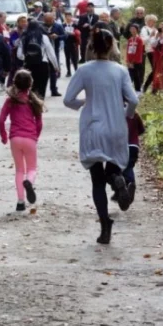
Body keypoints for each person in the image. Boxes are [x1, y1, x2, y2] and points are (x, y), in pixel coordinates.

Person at [64, 29, 140, 245]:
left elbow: (68, 99)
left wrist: (83, 104)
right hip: (116, 127)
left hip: (92, 127)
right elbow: (133, 100)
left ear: (91, 47)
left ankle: (105, 225)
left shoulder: (84, 70)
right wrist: (127, 114)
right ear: (112, 47)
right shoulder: (120, 71)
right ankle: (117, 180)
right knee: (114, 167)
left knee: (96, 181)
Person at [0, 70, 44, 213]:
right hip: (30, 138)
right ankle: (29, 182)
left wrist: (4, 136)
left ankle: (20, 202)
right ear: (30, 84)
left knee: (19, 170)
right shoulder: (33, 101)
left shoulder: (11, 101)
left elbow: (0, 120)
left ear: (14, 83)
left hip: (15, 139)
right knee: (32, 169)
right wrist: (36, 136)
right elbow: (39, 123)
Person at [17, 20, 59, 98]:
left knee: (30, 89)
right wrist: (56, 66)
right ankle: (39, 106)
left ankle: (31, 108)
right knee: (41, 89)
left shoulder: (24, 37)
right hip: (42, 64)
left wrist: (27, 57)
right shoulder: (43, 37)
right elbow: (51, 54)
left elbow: (19, 55)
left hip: (29, 66)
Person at [42, 13, 65, 97]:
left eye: (50, 21)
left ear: (53, 19)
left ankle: (54, 89)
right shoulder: (41, 26)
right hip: (44, 52)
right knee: (43, 72)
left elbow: (65, 36)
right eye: (46, 21)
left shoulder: (58, 26)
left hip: (54, 51)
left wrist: (57, 36)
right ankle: (42, 90)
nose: (48, 22)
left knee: (54, 71)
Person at [140, 15, 159, 93]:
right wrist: (150, 35)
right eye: (152, 21)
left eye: (154, 21)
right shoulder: (144, 29)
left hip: (157, 51)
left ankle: (154, 88)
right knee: (156, 69)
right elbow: (143, 41)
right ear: (147, 21)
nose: (153, 22)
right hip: (149, 50)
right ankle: (146, 87)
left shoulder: (155, 29)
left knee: (157, 69)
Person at [7, 15, 28, 86]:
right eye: (22, 22)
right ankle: (11, 86)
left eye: (25, 22)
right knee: (14, 71)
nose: (24, 23)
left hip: (23, 55)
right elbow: (13, 43)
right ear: (18, 23)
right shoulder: (14, 32)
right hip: (14, 54)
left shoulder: (26, 31)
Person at [125, 23, 146, 91]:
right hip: (130, 62)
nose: (132, 30)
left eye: (134, 29)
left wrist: (133, 62)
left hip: (136, 61)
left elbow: (139, 52)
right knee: (130, 76)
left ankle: (138, 90)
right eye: (131, 29)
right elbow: (127, 51)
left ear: (137, 30)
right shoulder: (130, 39)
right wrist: (128, 60)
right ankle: (129, 90)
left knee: (137, 76)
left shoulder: (139, 39)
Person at [63, 11, 80, 76]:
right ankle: (68, 71)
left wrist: (74, 34)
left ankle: (76, 70)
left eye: (69, 16)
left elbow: (78, 33)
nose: (68, 18)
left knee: (74, 58)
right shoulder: (63, 25)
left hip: (74, 43)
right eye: (67, 16)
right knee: (67, 58)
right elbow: (62, 34)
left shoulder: (75, 25)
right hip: (66, 43)